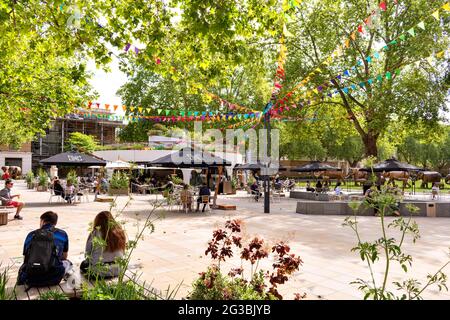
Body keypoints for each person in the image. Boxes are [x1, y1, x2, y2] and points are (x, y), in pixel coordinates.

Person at [17, 211, 72, 287]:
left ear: (42, 221)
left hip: (31, 278)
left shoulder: (31, 235)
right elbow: (64, 256)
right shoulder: (62, 234)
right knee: (68, 263)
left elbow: (26, 258)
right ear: (55, 223)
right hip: (54, 277)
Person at [80, 211, 126, 279]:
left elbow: (88, 253)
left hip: (98, 271)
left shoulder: (95, 233)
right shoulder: (120, 232)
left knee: (84, 264)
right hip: (117, 269)